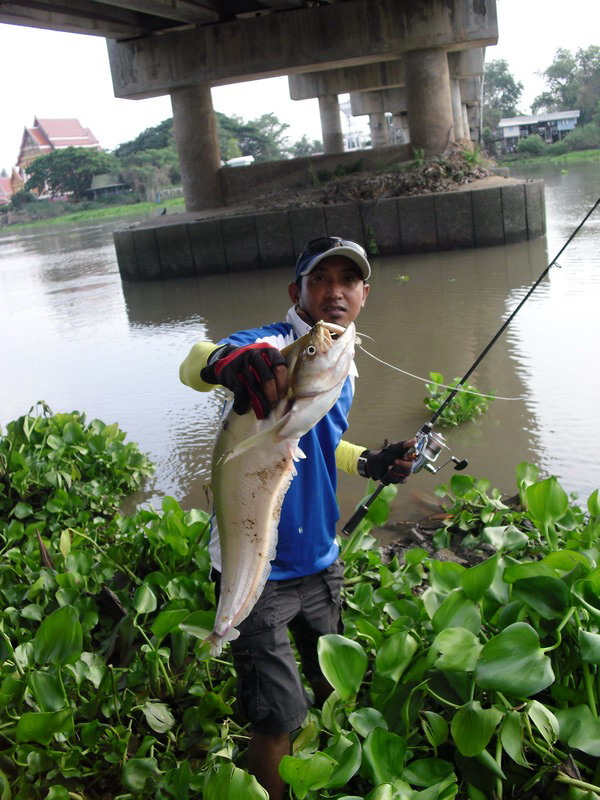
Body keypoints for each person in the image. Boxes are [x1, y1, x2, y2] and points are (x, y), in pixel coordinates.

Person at [179, 236, 416, 799]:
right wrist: (229, 363)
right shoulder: (282, 349)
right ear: (298, 292)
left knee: (328, 684)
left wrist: (371, 461)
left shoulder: (339, 359)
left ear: (364, 293)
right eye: (320, 279)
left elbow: (321, 436)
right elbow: (196, 361)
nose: (335, 292)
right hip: (258, 571)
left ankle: (317, 779)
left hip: (321, 562)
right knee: (277, 717)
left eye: (348, 280)